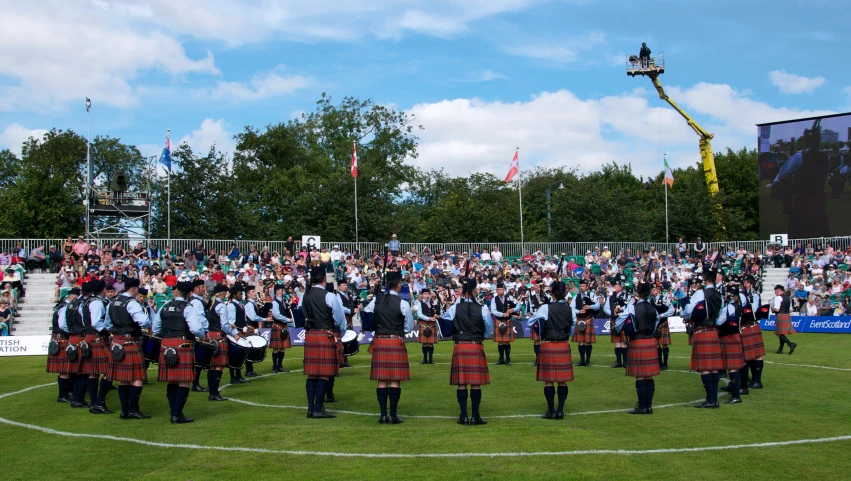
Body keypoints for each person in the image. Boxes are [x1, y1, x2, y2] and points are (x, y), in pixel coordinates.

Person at [363, 271, 414, 424]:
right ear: (398, 286)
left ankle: (383, 415)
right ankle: (393, 414)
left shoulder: (376, 302)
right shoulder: (403, 303)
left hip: (379, 340)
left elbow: (366, 315)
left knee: (382, 379)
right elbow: (409, 327)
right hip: (395, 341)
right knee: (395, 380)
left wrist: (377, 325)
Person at [441, 276, 494, 425]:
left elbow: (446, 325)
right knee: (475, 383)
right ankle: (475, 416)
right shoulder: (482, 308)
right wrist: (479, 336)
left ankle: (464, 415)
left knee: (462, 383)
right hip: (475, 345)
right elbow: (488, 330)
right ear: (474, 290)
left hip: (460, 346)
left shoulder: (454, 308)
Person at [299, 266, 348, 419]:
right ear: (324, 279)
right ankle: (318, 409)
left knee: (312, 374)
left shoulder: (305, 296)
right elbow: (339, 319)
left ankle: (310, 408)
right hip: (325, 334)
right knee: (325, 374)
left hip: (310, 335)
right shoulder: (329, 296)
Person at [153, 281, 204, 424]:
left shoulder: (165, 305)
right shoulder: (188, 307)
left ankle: (174, 412)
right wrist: (201, 334)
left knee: (172, 380)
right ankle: (176, 414)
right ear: (190, 293)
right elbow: (195, 328)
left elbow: (156, 328)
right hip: (182, 344)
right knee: (184, 380)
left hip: (166, 344)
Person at [526, 279, 576, 420]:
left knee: (549, 380)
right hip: (563, 344)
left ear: (552, 293)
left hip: (548, 345)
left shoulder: (545, 308)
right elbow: (572, 327)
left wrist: (541, 326)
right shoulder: (569, 309)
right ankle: (560, 410)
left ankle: (551, 410)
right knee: (562, 380)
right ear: (565, 293)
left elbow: (531, 322)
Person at [107, 278, 153, 419]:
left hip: (116, 341)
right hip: (130, 341)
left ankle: (124, 411)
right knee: (137, 377)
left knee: (123, 379)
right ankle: (133, 410)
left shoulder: (113, 302)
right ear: (134, 289)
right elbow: (144, 321)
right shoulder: (131, 303)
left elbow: (107, 324)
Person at [613, 279, 661, 414]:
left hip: (637, 341)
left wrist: (617, 329)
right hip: (650, 341)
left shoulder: (632, 307)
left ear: (638, 293)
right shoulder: (653, 308)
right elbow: (657, 321)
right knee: (649, 376)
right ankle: (648, 406)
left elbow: (619, 322)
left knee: (640, 375)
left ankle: (642, 406)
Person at [682, 267, 725, 409]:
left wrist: (686, 315)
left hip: (702, 330)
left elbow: (689, 311)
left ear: (706, 279)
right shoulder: (720, 296)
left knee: (706, 368)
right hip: (714, 331)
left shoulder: (701, 293)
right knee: (713, 368)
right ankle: (714, 399)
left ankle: (710, 400)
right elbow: (720, 317)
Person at [81, 280, 114, 415]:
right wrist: (108, 331)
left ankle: (94, 403)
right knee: (110, 369)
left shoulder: (86, 302)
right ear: (103, 289)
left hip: (89, 336)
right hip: (97, 337)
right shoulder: (97, 302)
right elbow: (96, 322)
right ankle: (99, 402)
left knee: (93, 372)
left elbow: (85, 321)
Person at [206, 284, 237, 401]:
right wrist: (233, 333)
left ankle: (211, 393)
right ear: (223, 293)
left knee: (211, 366)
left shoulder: (210, 304)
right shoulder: (222, 306)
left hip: (210, 336)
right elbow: (224, 325)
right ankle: (215, 394)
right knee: (218, 366)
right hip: (219, 336)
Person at [48, 288, 79, 403]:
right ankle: (62, 395)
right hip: (62, 338)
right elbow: (62, 325)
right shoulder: (65, 307)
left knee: (66, 369)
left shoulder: (59, 306)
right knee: (65, 369)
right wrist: (71, 332)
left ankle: (66, 393)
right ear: (73, 297)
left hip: (57, 338)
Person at [717, 284, 746, 404]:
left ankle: (736, 396)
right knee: (735, 367)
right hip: (736, 336)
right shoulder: (739, 306)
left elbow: (719, 322)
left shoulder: (729, 308)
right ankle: (736, 392)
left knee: (732, 368)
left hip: (729, 338)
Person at [740, 275, 766, 390]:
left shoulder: (754, 295)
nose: (746, 284)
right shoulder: (746, 294)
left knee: (756, 354)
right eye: (745, 282)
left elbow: (754, 309)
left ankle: (757, 380)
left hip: (751, 324)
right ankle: (752, 380)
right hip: (748, 325)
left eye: (748, 282)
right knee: (750, 354)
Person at [571, 279, 600, 367]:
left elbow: (598, 305)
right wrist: (578, 311)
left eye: (583, 286)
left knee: (588, 341)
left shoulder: (592, 295)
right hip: (580, 319)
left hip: (588, 319)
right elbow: (571, 308)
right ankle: (582, 360)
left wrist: (590, 306)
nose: (581, 288)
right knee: (580, 341)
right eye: (580, 286)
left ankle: (588, 360)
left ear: (587, 287)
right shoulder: (576, 297)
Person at [243, 286, 270, 377]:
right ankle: (248, 370)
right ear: (248, 294)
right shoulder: (249, 305)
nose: (255, 293)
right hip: (250, 328)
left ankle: (250, 369)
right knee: (250, 349)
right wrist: (265, 319)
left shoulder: (253, 304)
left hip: (253, 327)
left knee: (252, 349)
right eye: (253, 292)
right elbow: (253, 317)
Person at [188, 279, 210, 393]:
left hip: (195, 332)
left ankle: (195, 383)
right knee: (198, 361)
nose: (204, 289)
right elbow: (200, 318)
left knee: (197, 360)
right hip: (198, 333)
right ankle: (195, 384)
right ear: (196, 288)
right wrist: (205, 330)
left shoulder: (195, 300)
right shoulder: (196, 302)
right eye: (202, 287)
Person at [225, 287, 250, 384]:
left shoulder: (240, 305)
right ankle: (233, 377)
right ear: (234, 295)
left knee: (240, 355)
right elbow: (231, 321)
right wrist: (235, 333)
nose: (241, 296)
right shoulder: (231, 306)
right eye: (239, 294)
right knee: (234, 354)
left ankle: (239, 375)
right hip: (236, 332)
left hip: (241, 331)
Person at [603, 280, 630, 368]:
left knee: (624, 341)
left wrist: (621, 309)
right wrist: (612, 313)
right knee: (617, 342)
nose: (615, 287)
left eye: (616, 286)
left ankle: (625, 362)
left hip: (623, 320)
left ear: (621, 287)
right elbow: (605, 308)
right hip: (614, 319)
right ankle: (618, 361)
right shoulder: (610, 297)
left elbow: (630, 306)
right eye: (614, 286)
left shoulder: (626, 296)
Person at [490, 283, 517, 365]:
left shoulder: (510, 297)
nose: (500, 291)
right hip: (498, 320)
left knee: (506, 341)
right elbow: (493, 311)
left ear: (504, 290)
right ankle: (501, 359)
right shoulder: (494, 299)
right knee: (500, 342)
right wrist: (503, 314)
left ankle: (508, 359)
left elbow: (518, 306)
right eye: (499, 290)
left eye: (502, 289)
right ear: (496, 290)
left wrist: (512, 310)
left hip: (507, 321)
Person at [270, 284, 294, 373]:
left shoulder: (284, 302)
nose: (282, 291)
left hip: (284, 325)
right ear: (276, 291)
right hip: (278, 325)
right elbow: (277, 315)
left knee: (283, 347)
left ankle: (280, 366)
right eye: (280, 290)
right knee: (276, 347)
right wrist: (288, 319)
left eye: (283, 290)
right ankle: (274, 367)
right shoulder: (274, 302)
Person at [650, 283, 675, 370]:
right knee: (656, 344)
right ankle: (659, 363)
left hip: (663, 323)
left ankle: (665, 363)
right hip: (655, 325)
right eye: (651, 290)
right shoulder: (650, 300)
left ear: (658, 290)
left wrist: (662, 315)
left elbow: (672, 310)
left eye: (654, 290)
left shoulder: (664, 298)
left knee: (664, 344)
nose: (652, 292)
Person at [772, 285, 798, 354]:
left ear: (778, 290)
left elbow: (777, 309)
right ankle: (780, 349)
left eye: (775, 290)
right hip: (787, 315)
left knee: (778, 333)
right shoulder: (788, 298)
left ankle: (790, 344)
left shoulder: (778, 298)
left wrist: (772, 307)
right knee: (781, 333)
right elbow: (791, 310)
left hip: (780, 315)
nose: (775, 292)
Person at [417, 289, 439, 365]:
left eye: (427, 293)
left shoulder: (433, 303)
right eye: (425, 293)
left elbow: (439, 312)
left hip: (432, 324)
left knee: (430, 343)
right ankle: (425, 359)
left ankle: (430, 359)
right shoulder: (420, 303)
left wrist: (437, 315)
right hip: (424, 323)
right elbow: (419, 315)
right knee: (424, 343)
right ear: (422, 295)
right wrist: (429, 318)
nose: (426, 295)